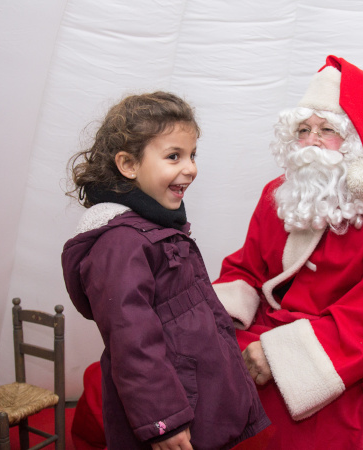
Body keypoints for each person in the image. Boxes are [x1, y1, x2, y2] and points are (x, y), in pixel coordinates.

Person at [213, 56, 363, 449]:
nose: (312, 141)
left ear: (355, 141)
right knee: (199, 368)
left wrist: (282, 356)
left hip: (360, 343)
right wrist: (211, 321)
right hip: (276, 326)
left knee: (309, 409)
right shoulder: (278, 193)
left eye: (327, 130)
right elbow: (247, 268)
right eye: (303, 129)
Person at [61, 92, 270, 450]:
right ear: (128, 164)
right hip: (170, 415)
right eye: (174, 156)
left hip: (194, 400)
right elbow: (132, 342)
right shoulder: (121, 244)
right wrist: (163, 421)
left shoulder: (155, 229)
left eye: (192, 155)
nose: (190, 168)